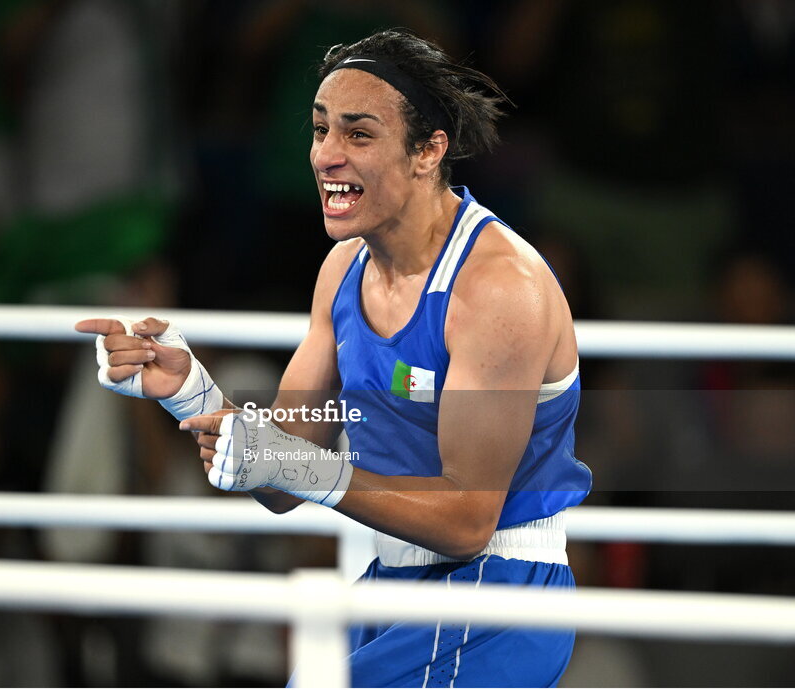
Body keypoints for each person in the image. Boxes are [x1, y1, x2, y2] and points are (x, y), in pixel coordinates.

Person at [76, 29, 591, 688]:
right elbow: (280, 476)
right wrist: (191, 393)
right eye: (321, 130)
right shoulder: (343, 270)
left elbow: (467, 521)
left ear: (428, 151)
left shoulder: (496, 288)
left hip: (495, 597)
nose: (326, 155)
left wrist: (306, 468)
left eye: (358, 134)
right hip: (393, 581)